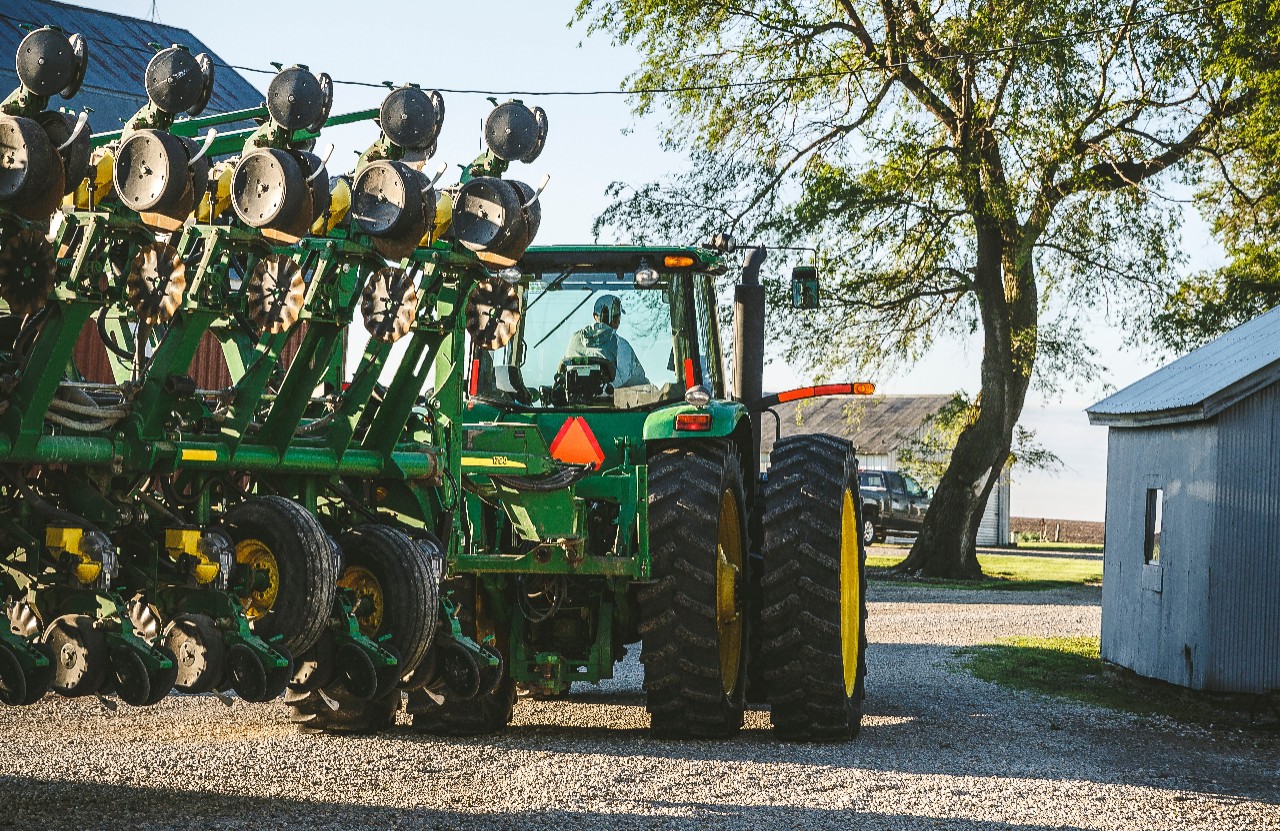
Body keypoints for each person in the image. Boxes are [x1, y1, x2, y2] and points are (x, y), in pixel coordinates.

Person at [563, 294, 649, 387]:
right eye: (617, 317)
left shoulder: (574, 339)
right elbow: (639, 382)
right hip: (611, 400)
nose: (618, 321)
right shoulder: (620, 344)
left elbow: (563, 368)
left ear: (595, 316)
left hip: (572, 399)